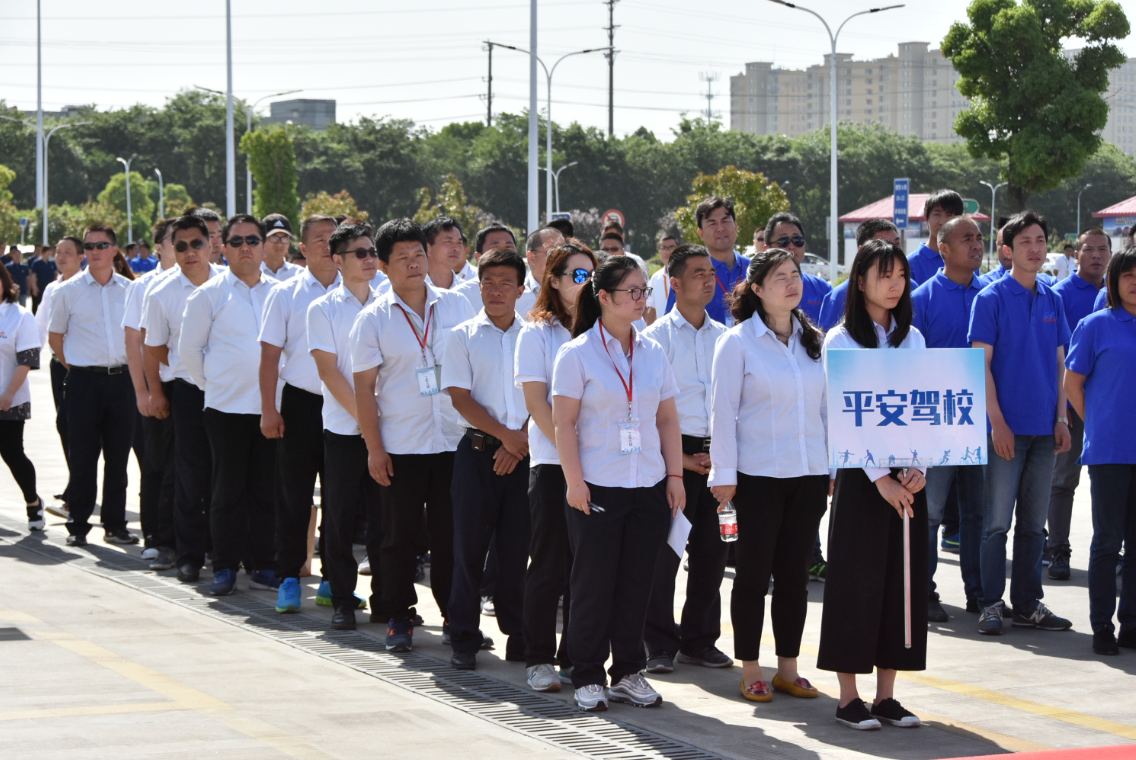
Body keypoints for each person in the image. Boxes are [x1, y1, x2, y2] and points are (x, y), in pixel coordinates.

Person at [552, 254, 685, 712]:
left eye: (643, 290)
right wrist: (574, 482)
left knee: (637, 584)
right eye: (632, 291)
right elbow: (563, 424)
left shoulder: (653, 352)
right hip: (598, 484)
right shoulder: (577, 354)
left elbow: (667, 419)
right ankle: (586, 673)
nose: (641, 298)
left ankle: (628, 672)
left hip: (647, 482)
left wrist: (674, 476)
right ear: (604, 297)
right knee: (593, 583)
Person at [709, 246, 829, 703]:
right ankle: (751, 668)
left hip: (808, 474)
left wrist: (830, 466)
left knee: (795, 578)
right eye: (781, 277)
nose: (792, 283)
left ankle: (788, 668)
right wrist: (723, 475)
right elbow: (722, 413)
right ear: (757, 289)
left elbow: (825, 410)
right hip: (756, 477)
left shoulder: (813, 340)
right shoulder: (736, 342)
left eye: (795, 274)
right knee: (753, 577)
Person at [818, 238, 928, 731]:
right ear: (859, 280)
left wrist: (921, 466)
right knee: (855, 585)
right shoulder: (840, 340)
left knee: (900, 586)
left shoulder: (913, 338)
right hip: (863, 479)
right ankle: (848, 699)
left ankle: (887, 696)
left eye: (901, 275)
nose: (895, 284)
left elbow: (928, 408)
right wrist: (879, 477)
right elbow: (842, 416)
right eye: (885, 275)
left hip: (908, 477)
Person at [351, 218, 475, 653]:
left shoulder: (457, 306)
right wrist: (374, 449)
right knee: (398, 537)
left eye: (418, 254)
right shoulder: (372, 320)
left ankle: (455, 617)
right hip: (401, 444)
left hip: (453, 441)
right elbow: (364, 390)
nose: (413, 263)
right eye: (401, 257)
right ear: (384, 266)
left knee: (451, 537)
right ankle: (399, 616)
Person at [968, 210, 1073, 636]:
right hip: (1005, 431)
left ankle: (1028, 604)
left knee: (1033, 526)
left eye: (1040, 240)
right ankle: (991, 603)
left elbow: (1061, 364)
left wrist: (1062, 417)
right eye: (1025, 241)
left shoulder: (1053, 298)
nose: (1035, 248)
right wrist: (997, 422)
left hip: (1045, 430)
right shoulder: (990, 298)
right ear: (1008, 250)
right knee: (996, 523)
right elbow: (980, 365)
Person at [441, 247, 532, 670]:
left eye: (505, 283)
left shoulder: (535, 337)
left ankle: (519, 634)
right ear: (478, 287)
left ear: (521, 289)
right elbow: (460, 398)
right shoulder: (461, 336)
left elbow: (545, 397)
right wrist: (506, 438)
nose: (496, 290)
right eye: (488, 282)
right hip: (477, 456)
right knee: (468, 551)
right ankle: (463, 636)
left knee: (517, 552)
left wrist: (519, 442)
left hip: (526, 456)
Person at [642, 245, 731, 674]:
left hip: (719, 456)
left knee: (713, 554)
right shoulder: (655, 338)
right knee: (664, 554)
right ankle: (658, 643)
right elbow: (648, 411)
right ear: (674, 283)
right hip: (673, 455)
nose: (708, 279)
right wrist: (679, 461)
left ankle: (699, 640)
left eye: (711, 272)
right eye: (698, 273)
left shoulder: (726, 337)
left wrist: (724, 458)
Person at [180, 214, 278, 597]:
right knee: (227, 493)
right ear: (223, 248)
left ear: (263, 246)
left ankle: (264, 565)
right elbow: (189, 351)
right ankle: (224, 566)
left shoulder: (280, 293)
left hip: (271, 409)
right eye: (236, 241)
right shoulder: (208, 295)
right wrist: (214, 387)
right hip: (225, 410)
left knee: (266, 492)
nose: (245, 248)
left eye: (252, 240)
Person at [517, 240, 597, 692]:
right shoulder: (537, 333)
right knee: (549, 563)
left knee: (587, 568)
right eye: (577, 275)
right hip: (553, 463)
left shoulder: (602, 329)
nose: (586, 283)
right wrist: (572, 456)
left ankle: (575, 656)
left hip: (600, 465)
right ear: (554, 279)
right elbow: (536, 403)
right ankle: (538, 657)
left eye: (592, 275)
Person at [259, 214, 342, 611]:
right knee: (294, 495)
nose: (328, 244)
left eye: (333, 238)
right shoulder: (285, 294)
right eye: (319, 238)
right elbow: (269, 357)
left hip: (345, 405)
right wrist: (268, 410)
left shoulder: (360, 290)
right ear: (303, 249)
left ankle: (334, 580)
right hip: (300, 403)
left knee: (341, 497)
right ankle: (289, 577)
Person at [910, 216, 987, 621]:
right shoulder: (921, 299)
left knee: (978, 514)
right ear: (943, 248)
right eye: (966, 239)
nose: (976, 245)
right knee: (930, 514)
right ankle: (923, 592)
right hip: (936, 423)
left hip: (982, 423)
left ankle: (980, 593)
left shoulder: (990, 295)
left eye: (979, 238)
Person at [308, 222, 384, 631]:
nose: (370, 259)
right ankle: (341, 598)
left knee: (386, 519)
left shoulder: (388, 302)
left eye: (372, 251)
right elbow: (330, 373)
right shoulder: (322, 309)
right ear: (337, 260)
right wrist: (368, 421)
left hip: (391, 430)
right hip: (345, 430)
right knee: (339, 517)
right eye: (360, 253)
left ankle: (388, 600)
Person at [47, 223, 139, 547]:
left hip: (122, 381)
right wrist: (76, 366)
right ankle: (78, 526)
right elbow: (55, 338)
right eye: (89, 246)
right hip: (83, 382)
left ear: (114, 250)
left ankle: (115, 525)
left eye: (101, 245)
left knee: (118, 458)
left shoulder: (130, 290)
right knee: (83, 457)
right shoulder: (67, 291)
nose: (95, 252)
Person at [1064, 246, 1136, 656]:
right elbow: (1072, 383)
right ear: (1113, 281)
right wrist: (1098, 422)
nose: (1135, 282)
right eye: (1127, 275)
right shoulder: (1095, 325)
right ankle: (1102, 626)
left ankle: (1132, 625)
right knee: (1107, 542)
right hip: (1109, 451)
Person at [143, 214, 218, 583]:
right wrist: (156, 391)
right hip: (186, 391)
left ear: (210, 244)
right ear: (172, 249)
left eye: (197, 244)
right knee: (188, 475)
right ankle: (189, 556)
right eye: (182, 246)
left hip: (229, 393)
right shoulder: (162, 293)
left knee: (226, 473)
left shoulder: (229, 284)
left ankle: (224, 550)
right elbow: (152, 347)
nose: (190, 252)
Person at [1045, 227, 1112, 581]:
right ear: (1076, 255)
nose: (1096, 255)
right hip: (1070, 405)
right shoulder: (1060, 294)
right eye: (1089, 249)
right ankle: (1057, 549)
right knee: (1063, 481)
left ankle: (1113, 549)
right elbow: (1053, 356)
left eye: (1103, 249)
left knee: (1112, 482)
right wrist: (1061, 409)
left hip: (1111, 408)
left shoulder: (1119, 292)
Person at [123, 218, 179, 570]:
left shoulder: (208, 280)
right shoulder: (144, 286)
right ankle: (155, 537)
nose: (185, 247)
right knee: (155, 464)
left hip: (192, 387)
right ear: (158, 247)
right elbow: (133, 342)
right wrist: (143, 391)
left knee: (185, 466)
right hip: (157, 385)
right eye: (176, 241)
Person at [36, 236, 82, 519]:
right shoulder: (52, 288)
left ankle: (77, 488)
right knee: (64, 425)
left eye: (68, 252)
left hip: (84, 367)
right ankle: (76, 483)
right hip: (59, 366)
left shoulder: (87, 287)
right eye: (58, 252)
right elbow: (40, 327)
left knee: (77, 427)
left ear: (81, 257)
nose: (61, 257)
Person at [0, 261, 43, 531]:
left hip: (9, 399)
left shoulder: (19, 316)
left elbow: (26, 360)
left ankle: (33, 502)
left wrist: (9, 393)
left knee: (12, 454)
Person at [664, 197, 749, 327]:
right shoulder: (687, 273)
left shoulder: (754, 269)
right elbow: (671, 323)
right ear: (701, 233)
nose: (720, 228)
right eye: (712, 223)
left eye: (725, 221)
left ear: (736, 226)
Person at [818, 219, 900, 331]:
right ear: (862, 251)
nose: (893, 251)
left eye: (897, 244)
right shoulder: (839, 296)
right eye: (884, 245)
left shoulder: (911, 288)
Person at [761, 212, 832, 327]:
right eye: (783, 242)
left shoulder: (822, 289)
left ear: (804, 245)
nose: (791, 246)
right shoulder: (757, 289)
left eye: (797, 240)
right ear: (767, 249)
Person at [908, 190, 963, 288]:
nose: (942, 222)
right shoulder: (911, 263)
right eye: (937, 214)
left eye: (949, 215)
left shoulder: (967, 260)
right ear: (926, 217)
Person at [519, 226, 564, 318]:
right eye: (552, 252)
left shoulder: (572, 290)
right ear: (531, 257)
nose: (561, 257)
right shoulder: (516, 295)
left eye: (564, 252)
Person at [423, 216, 468, 291]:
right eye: (448, 242)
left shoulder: (467, 291)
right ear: (427, 248)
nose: (456, 248)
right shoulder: (413, 288)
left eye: (459, 243)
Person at [644, 232, 678, 325]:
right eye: (664, 248)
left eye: (671, 247)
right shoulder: (655, 278)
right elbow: (651, 308)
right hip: (663, 331)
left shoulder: (687, 275)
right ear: (659, 252)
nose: (668, 252)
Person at [261, 213, 302, 282]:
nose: (279, 244)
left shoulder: (299, 274)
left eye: (285, 238)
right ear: (262, 240)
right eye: (274, 238)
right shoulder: (252, 273)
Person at [29, 245, 57, 314]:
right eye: (47, 251)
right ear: (43, 252)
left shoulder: (52, 263)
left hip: (49, 289)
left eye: (50, 251)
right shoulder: (36, 263)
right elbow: (33, 276)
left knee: (48, 306)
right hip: (39, 288)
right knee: (36, 306)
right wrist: (34, 287)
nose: (49, 253)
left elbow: (55, 274)